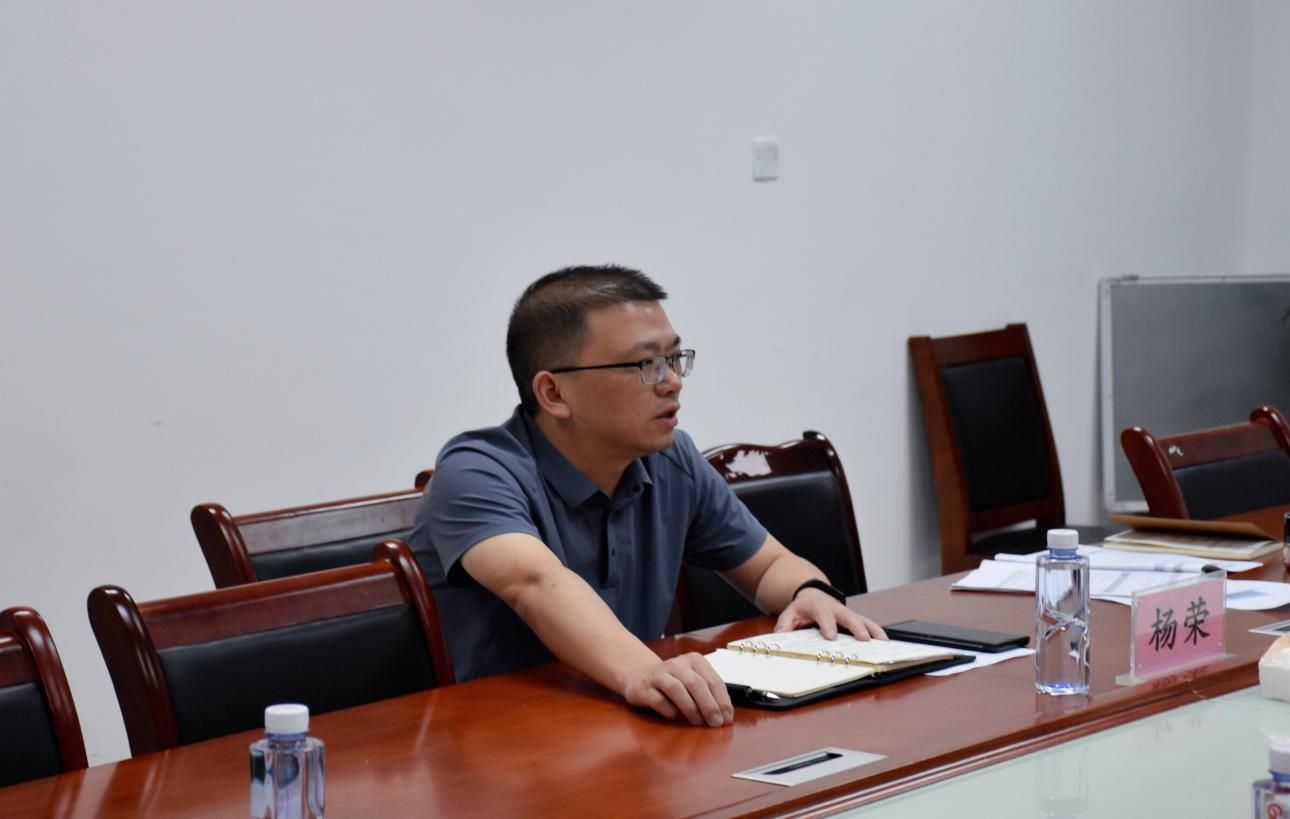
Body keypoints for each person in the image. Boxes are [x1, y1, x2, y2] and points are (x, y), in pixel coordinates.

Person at [409, 265, 885, 727]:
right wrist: (642, 671)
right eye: (645, 365)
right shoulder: (476, 472)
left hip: (624, 721)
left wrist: (809, 593)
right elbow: (536, 583)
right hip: (495, 740)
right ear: (553, 393)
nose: (672, 381)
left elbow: (767, 566)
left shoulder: (669, 460)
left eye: (675, 359)